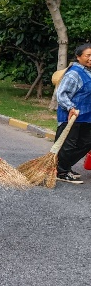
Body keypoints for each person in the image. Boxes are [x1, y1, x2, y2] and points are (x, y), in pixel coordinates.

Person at [53, 42, 91, 184]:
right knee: (68, 145)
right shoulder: (74, 73)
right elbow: (61, 94)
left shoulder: (87, 72)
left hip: (86, 117)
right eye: (88, 55)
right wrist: (70, 108)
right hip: (71, 116)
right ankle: (61, 172)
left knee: (86, 143)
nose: (90, 59)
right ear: (78, 57)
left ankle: (64, 166)